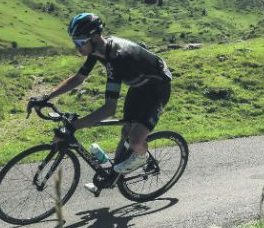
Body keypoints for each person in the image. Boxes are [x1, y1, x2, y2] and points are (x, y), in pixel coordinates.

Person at [28, 13, 172, 195]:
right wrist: (47, 96)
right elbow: (79, 78)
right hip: (138, 85)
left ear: (95, 37)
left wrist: (75, 126)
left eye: (80, 42)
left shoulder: (118, 58)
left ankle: (141, 157)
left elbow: (109, 109)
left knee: (135, 140)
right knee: (126, 131)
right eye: (75, 42)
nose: (77, 47)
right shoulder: (98, 50)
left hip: (157, 89)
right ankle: (112, 177)